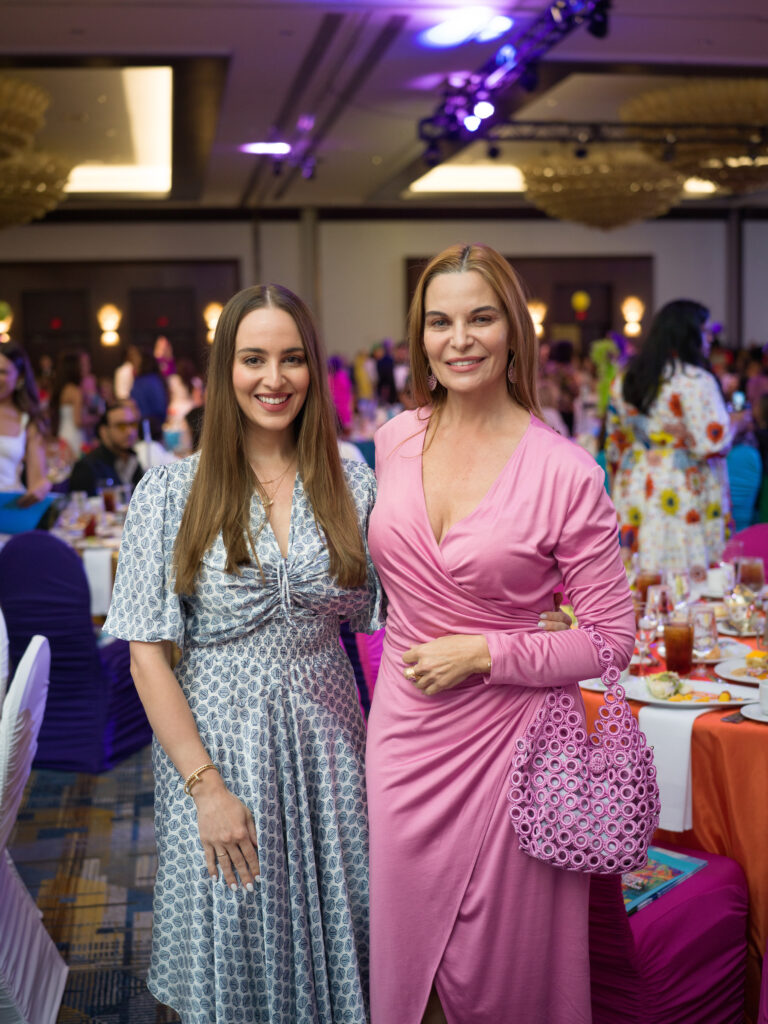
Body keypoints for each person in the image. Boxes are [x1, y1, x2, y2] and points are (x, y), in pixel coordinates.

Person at [365, 242, 635, 1024]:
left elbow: (614, 638)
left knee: (506, 971)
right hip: (406, 739)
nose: (460, 339)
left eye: (481, 318)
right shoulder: (395, 439)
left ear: (514, 330)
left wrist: (491, 649)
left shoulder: (565, 471)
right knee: (407, 958)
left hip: (513, 747)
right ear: (419, 337)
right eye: (440, 322)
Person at [103, 284, 382, 1023]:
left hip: (331, 753)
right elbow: (146, 658)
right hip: (218, 754)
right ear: (224, 370)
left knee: (347, 941)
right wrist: (206, 788)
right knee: (239, 940)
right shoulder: (169, 492)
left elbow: (409, 610)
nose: (274, 378)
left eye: (292, 359)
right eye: (254, 358)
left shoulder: (351, 481)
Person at [605, 299, 733, 575]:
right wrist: (738, 422)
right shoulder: (697, 380)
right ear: (688, 334)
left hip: (636, 477)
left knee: (639, 567)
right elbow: (715, 442)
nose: (710, 338)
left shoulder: (625, 378)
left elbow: (614, 443)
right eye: (705, 331)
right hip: (682, 480)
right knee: (686, 567)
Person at [0, 341, 51, 505]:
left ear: (20, 377)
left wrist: (42, 487)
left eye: (2, 372)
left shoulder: (28, 421)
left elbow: (36, 480)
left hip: (7, 509)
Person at [68, 401, 144, 496]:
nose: (130, 432)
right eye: (121, 426)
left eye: (133, 425)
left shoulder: (133, 459)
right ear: (104, 432)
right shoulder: (87, 467)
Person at [49, 350, 85, 460]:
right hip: (74, 436)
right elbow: (78, 421)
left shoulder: (61, 389)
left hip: (62, 434)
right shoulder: (75, 391)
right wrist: (94, 419)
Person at [130, 349, 169, 430]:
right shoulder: (141, 380)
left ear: (144, 361)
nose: (133, 364)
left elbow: (160, 407)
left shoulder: (150, 381)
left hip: (149, 426)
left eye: (135, 360)